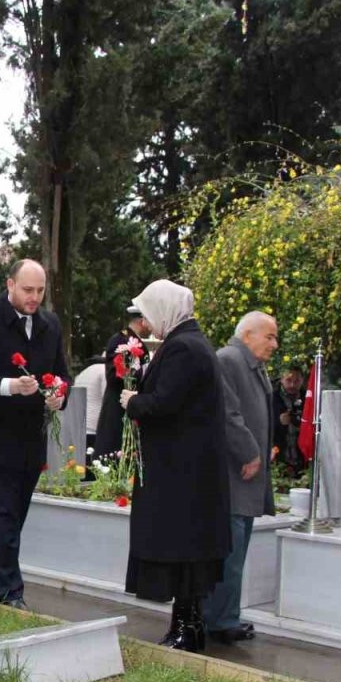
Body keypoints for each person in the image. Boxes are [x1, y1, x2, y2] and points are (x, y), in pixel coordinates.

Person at [120, 279, 231, 652]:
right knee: (188, 553)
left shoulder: (183, 348)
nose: (147, 325)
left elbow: (165, 403)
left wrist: (132, 401)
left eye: (150, 314)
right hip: (190, 471)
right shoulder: (191, 343)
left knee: (183, 551)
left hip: (181, 473)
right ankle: (188, 624)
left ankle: (186, 627)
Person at [0, 260, 70, 610]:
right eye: (27, 290)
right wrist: (10, 386)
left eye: (40, 290)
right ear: (10, 284)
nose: (34, 297)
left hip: (31, 434)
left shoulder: (50, 323)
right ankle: (11, 591)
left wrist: (59, 394)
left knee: (16, 513)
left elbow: (62, 373)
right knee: (5, 510)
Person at [205, 310, 278, 644]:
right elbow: (228, 413)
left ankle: (226, 615)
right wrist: (248, 451)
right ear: (247, 334)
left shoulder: (249, 363)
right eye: (270, 336)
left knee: (238, 550)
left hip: (246, 477)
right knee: (230, 551)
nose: (274, 344)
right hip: (234, 475)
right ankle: (218, 619)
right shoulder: (228, 360)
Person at [94, 305, 152, 461]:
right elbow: (114, 374)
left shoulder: (139, 343)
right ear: (141, 321)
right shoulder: (120, 339)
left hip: (133, 408)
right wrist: (135, 371)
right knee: (113, 458)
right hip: (118, 409)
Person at [271, 366, 306, 477]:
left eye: (296, 381)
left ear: (302, 381)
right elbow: (259, 424)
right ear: (281, 379)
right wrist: (277, 421)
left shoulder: (308, 398)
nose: (292, 385)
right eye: (288, 380)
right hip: (277, 454)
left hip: (302, 456)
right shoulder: (271, 397)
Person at [72, 354, 106, 457]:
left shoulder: (82, 373)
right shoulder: (103, 370)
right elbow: (107, 397)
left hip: (78, 426)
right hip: (94, 427)